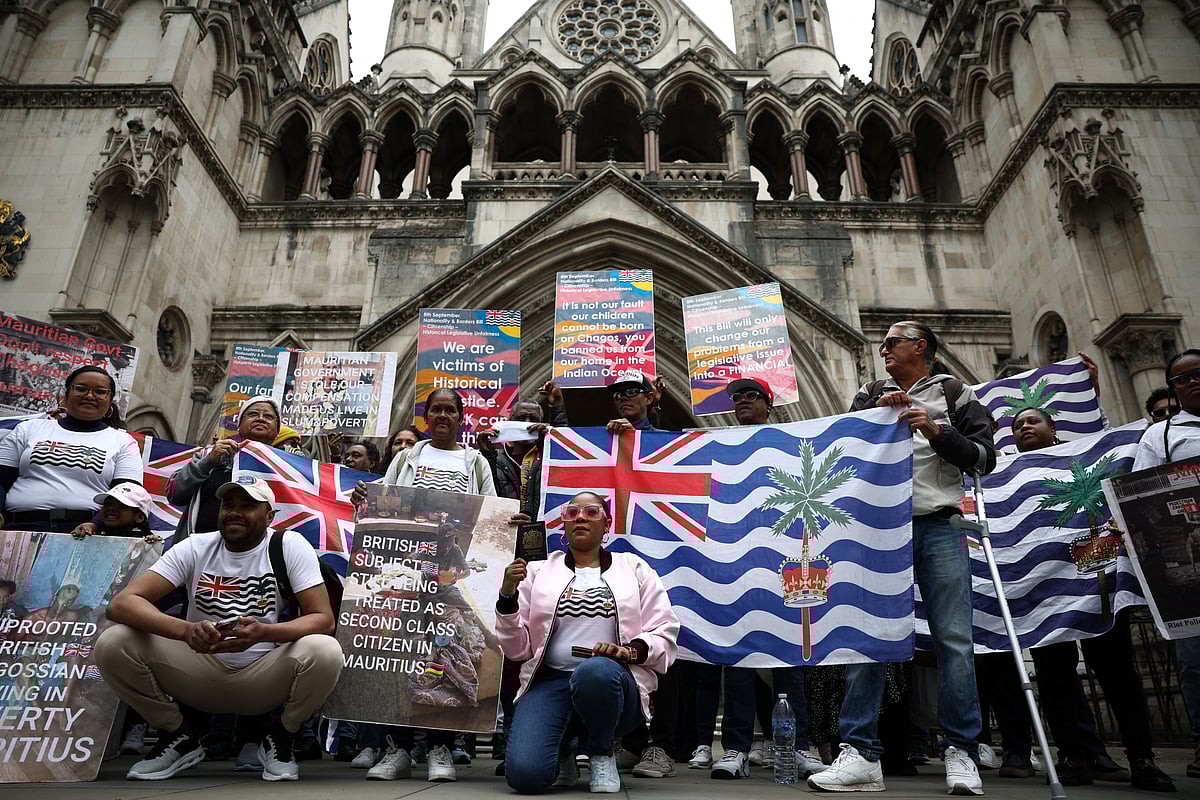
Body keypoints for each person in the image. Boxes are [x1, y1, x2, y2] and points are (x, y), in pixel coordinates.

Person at [810, 321, 995, 796]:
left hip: (938, 524)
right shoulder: (871, 391)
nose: (884, 348)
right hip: (877, 529)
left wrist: (936, 431)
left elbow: (983, 458)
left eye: (892, 342)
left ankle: (961, 750)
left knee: (953, 637)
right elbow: (841, 446)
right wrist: (874, 413)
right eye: (883, 343)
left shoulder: (956, 392)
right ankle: (861, 754)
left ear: (922, 347)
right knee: (867, 638)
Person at [94, 475, 342, 782]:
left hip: (263, 677)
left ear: (269, 516)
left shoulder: (288, 544)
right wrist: (186, 631)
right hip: (197, 670)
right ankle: (177, 734)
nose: (235, 512)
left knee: (326, 650)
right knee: (113, 641)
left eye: (248, 506)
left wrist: (263, 633)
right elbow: (122, 604)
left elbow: (323, 619)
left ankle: (281, 736)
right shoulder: (196, 546)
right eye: (229, 505)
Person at [1001, 406, 1176, 791]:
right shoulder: (1008, 475)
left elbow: (1123, 454)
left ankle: (1141, 758)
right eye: (1016, 426)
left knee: (1116, 672)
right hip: (1044, 592)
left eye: (1032, 421)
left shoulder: (1088, 459)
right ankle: (1072, 756)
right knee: (1054, 675)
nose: (1023, 428)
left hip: (1098, 584)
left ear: (1054, 426)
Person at [350, 387, 495, 782]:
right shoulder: (405, 458)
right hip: (405, 571)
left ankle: (440, 747)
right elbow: (383, 504)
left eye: (451, 409)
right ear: (425, 417)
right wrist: (365, 496)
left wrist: (505, 522)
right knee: (398, 651)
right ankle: (396, 750)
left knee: (444, 653)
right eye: (436, 409)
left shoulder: (475, 461)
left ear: (461, 417)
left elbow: (491, 511)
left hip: (449, 575)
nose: (443, 415)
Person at [689, 377, 827, 779]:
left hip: (785, 564)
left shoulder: (793, 443)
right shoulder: (723, 446)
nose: (742, 402)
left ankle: (797, 746)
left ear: (769, 404)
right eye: (737, 398)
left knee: (790, 660)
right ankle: (735, 749)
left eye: (751, 396)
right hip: (737, 565)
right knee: (739, 659)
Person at [498, 491, 679, 794]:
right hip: (550, 682)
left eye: (591, 512)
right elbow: (517, 649)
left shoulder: (633, 568)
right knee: (525, 777)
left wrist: (630, 650)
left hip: (613, 682)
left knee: (595, 671)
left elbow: (665, 629)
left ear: (607, 524)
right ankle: (565, 748)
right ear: (564, 525)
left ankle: (600, 750)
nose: (580, 517)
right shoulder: (539, 570)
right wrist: (507, 598)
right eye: (572, 513)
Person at [1133, 349, 1200, 780]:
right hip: (1191, 558)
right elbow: (1140, 495)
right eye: (1181, 380)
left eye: (1197, 375)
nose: (1191, 383)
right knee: (1194, 656)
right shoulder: (1160, 437)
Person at [0, 366, 141, 532]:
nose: (89, 396)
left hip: (85, 534)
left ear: (110, 401)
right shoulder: (27, 429)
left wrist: (95, 524)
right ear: (65, 395)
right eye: (81, 389)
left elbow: (127, 493)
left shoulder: (124, 442)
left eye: (100, 391)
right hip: (18, 528)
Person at [167, 398, 283, 540]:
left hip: (258, 555)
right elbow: (174, 493)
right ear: (239, 425)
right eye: (253, 414)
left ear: (278, 430)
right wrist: (208, 461)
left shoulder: (288, 469)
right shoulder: (211, 454)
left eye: (269, 416)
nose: (260, 419)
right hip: (199, 550)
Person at [69, 483, 159, 542]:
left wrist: (152, 548)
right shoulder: (91, 535)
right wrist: (80, 537)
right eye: (108, 504)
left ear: (139, 517)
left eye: (122, 505)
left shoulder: (147, 541)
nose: (111, 508)